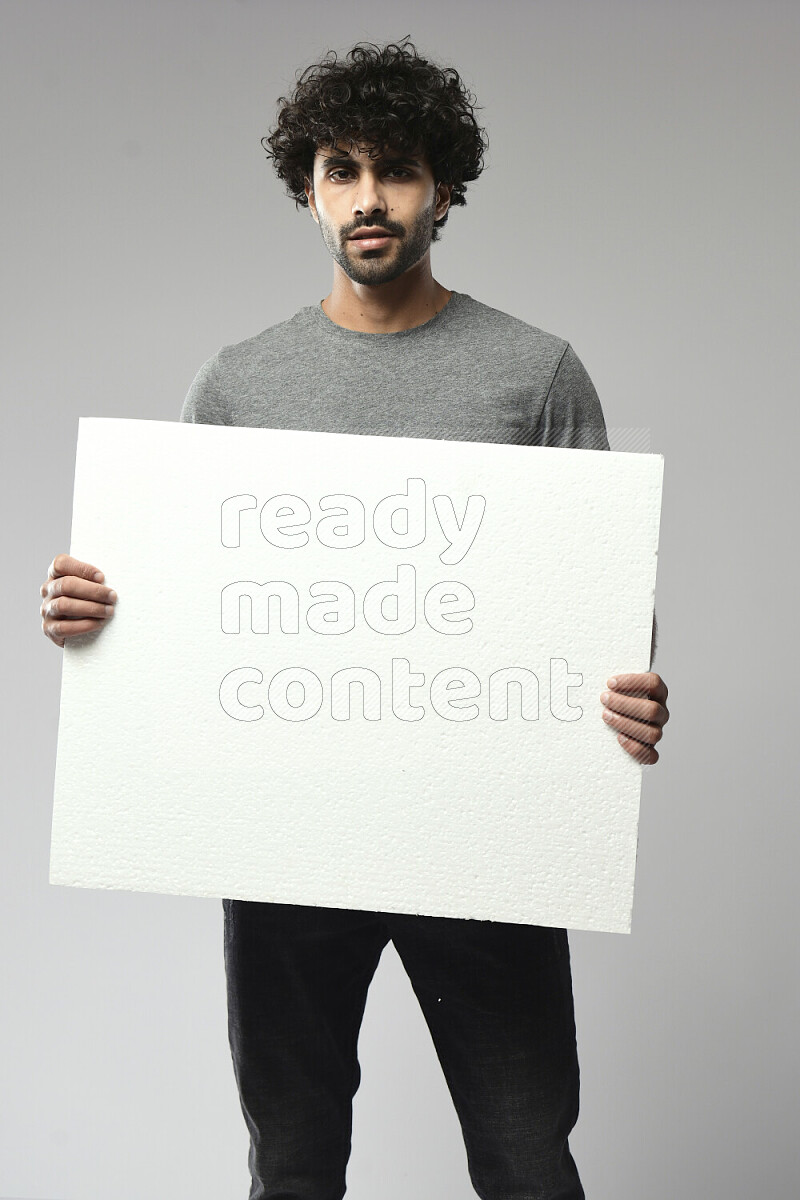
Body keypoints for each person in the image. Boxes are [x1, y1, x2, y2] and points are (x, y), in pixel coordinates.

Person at [40, 38, 670, 1200]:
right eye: (340, 170)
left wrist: (629, 691)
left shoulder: (534, 374)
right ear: (306, 188)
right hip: (286, 843)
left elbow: (602, 618)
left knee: (529, 1160)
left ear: (444, 189)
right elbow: (176, 606)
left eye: (397, 170)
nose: (368, 199)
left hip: (484, 843)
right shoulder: (236, 384)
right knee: (292, 1162)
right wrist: (93, 615)